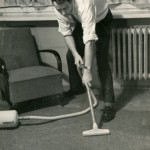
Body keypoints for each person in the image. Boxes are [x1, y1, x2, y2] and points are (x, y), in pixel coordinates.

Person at [52, 0, 115, 122]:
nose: (63, 12)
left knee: (101, 60)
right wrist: (76, 54)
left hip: (101, 19)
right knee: (71, 56)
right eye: (60, 10)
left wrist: (87, 71)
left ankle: (109, 105)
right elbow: (66, 33)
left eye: (65, 8)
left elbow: (89, 41)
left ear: (71, 1)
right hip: (83, 21)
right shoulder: (58, 7)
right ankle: (76, 88)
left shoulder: (85, 4)